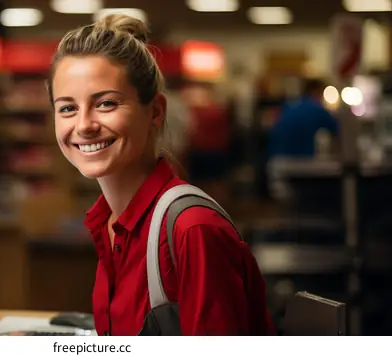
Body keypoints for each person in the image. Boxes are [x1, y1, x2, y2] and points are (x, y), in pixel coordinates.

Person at [47, 14, 276, 336]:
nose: (84, 125)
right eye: (67, 108)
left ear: (155, 111)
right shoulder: (110, 223)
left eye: (106, 103)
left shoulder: (192, 230)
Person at [268, 79, 339, 159]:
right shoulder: (316, 109)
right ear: (316, 91)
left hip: (275, 157)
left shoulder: (288, 106)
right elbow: (336, 129)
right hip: (299, 160)